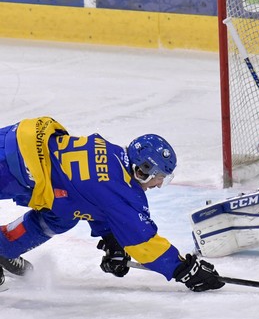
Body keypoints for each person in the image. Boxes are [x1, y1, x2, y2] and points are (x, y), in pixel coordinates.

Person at [0, 116, 224, 292]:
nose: (158, 184)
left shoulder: (113, 155)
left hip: (20, 142)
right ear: (143, 169)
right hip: (15, 165)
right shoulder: (121, 191)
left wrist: (111, 238)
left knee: (62, 216)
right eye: (158, 177)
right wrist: (184, 269)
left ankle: (3, 248)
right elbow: (142, 241)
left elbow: (92, 199)